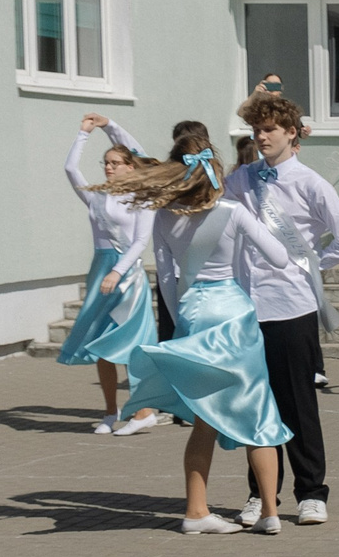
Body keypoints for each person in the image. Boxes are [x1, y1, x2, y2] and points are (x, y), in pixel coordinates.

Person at [109, 144, 293, 535]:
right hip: (234, 316)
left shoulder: (164, 217)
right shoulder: (234, 212)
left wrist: (181, 323)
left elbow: (166, 278)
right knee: (258, 413)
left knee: (203, 419)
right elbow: (279, 257)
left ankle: (196, 511)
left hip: (193, 313)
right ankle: (269, 513)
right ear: (215, 175)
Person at [226, 92, 339, 526]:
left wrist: (311, 264)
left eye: (270, 129)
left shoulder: (309, 183)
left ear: (291, 133)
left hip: (291, 306)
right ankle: (261, 494)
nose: (261, 136)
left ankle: (312, 492)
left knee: (298, 404)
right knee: (254, 406)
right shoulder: (242, 179)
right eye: (256, 129)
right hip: (247, 307)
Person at [56, 116, 164, 432]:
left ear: (131, 167)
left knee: (132, 343)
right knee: (101, 345)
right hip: (100, 269)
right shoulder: (96, 196)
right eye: (106, 162)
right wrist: (83, 134)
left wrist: (110, 125)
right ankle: (110, 412)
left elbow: (141, 242)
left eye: (116, 163)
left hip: (127, 275)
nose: (109, 167)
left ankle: (144, 411)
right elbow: (70, 169)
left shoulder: (143, 198)